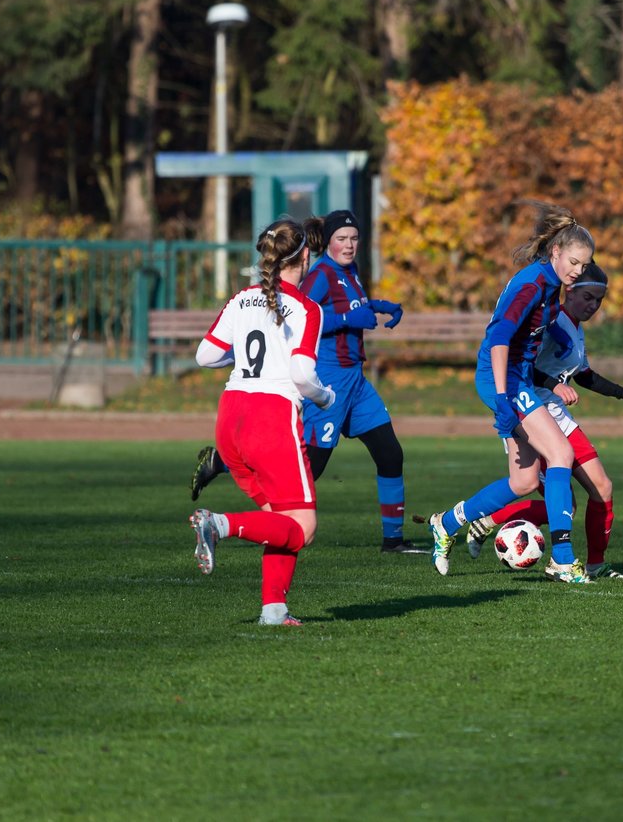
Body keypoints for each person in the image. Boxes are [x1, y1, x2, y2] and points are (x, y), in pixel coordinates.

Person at [189, 210, 423, 554]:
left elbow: (343, 307)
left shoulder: (350, 271)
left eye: (354, 238)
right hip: (326, 380)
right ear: (324, 244)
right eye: (342, 239)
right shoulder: (319, 275)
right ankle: (223, 463)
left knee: (390, 454)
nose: (349, 245)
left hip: (356, 381)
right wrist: (347, 318)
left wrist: (375, 305)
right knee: (309, 469)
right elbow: (300, 312)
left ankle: (393, 541)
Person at [462, 262, 623, 580]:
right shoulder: (548, 320)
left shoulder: (573, 327)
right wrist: (553, 384)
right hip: (531, 414)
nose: (593, 305)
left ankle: (595, 564)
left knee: (601, 487)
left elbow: (584, 375)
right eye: (587, 297)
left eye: (598, 300)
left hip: (557, 415)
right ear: (568, 291)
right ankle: (492, 524)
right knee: (560, 501)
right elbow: (524, 366)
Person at [425, 201, 594, 583]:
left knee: (525, 481)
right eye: (573, 262)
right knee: (561, 453)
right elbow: (498, 339)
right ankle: (563, 560)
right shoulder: (533, 284)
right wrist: (503, 398)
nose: (578, 271)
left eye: (584, 265)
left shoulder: (551, 286)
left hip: (516, 379)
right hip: (503, 378)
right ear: (556, 252)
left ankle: (446, 522)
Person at [188, 218, 336, 626]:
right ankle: (218, 524)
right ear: (305, 256)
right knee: (302, 529)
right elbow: (304, 377)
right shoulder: (307, 308)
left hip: (230, 416)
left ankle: (274, 609)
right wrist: (327, 397)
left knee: (279, 522)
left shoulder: (241, 298)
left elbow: (204, 356)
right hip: (271, 421)